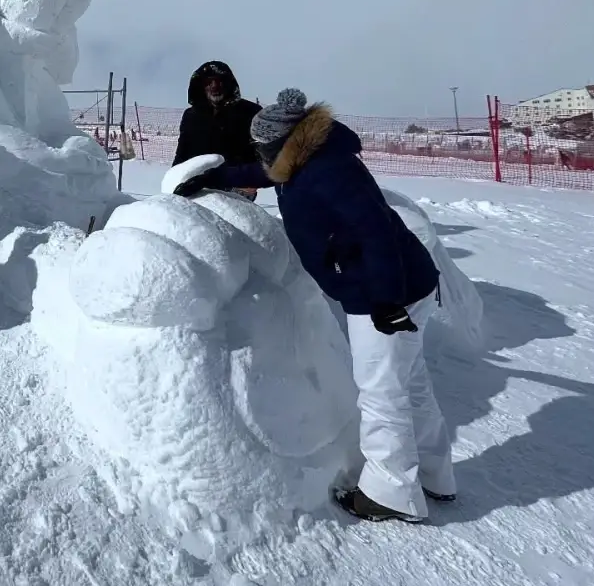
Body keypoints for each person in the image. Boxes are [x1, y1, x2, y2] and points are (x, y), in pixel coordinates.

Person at [174, 88, 454, 523]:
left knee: (382, 393)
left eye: (264, 147)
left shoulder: (329, 170)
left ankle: (393, 494)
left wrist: (385, 300)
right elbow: (271, 173)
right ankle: (436, 476)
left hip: (382, 291)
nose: (261, 154)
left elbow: (376, 233)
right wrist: (218, 178)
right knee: (409, 382)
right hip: (401, 284)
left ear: (286, 142)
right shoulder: (305, 160)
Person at [172, 60, 263, 201]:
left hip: (237, 186)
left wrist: (252, 181)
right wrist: (173, 179)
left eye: (220, 82)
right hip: (196, 185)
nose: (215, 87)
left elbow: (263, 153)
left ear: (229, 84)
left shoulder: (250, 112)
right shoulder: (191, 116)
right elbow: (182, 151)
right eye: (209, 82)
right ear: (201, 85)